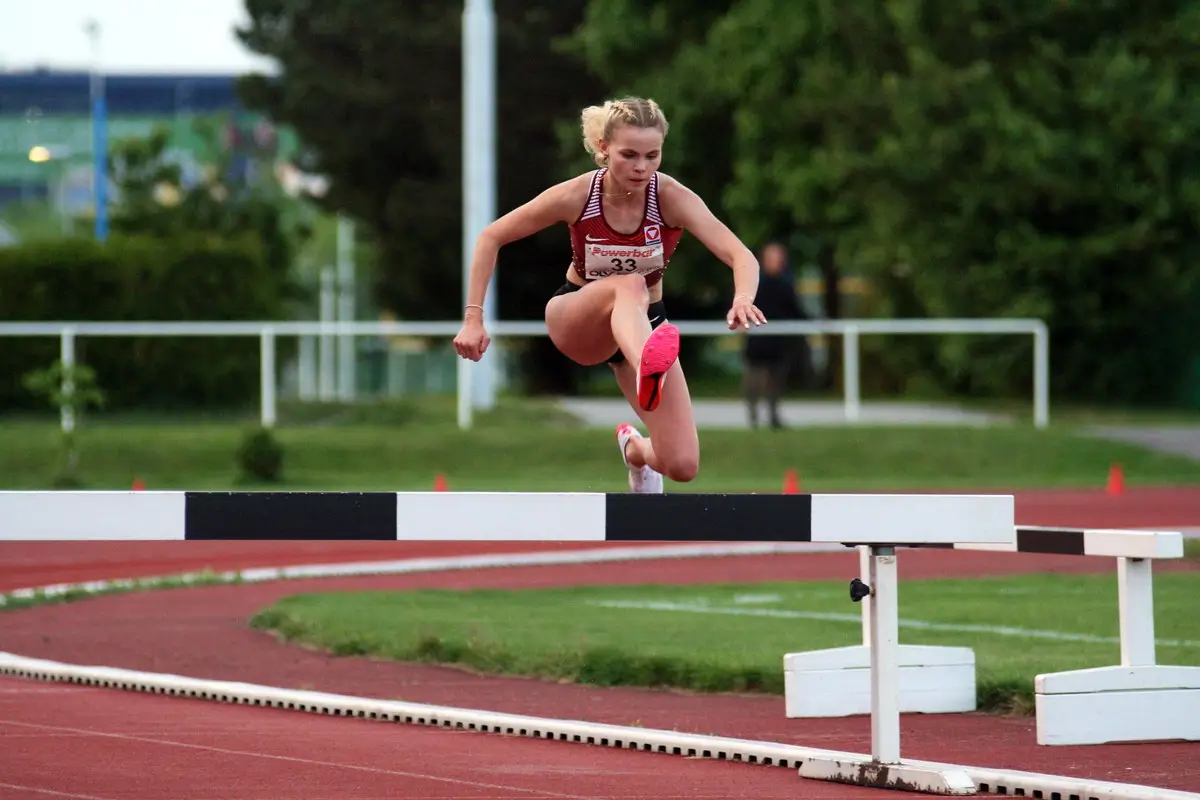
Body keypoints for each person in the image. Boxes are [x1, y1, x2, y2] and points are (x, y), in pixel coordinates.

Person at [453, 96, 767, 493]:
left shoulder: (670, 197)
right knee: (631, 283)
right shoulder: (578, 195)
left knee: (683, 463)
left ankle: (635, 450)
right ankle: (647, 366)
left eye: (653, 156)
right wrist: (473, 318)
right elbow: (491, 236)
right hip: (579, 316)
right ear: (603, 148)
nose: (641, 168)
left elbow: (740, 254)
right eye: (629, 155)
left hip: (644, 323)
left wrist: (743, 297)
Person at [742, 241, 808, 429]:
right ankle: (753, 418)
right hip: (757, 340)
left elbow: (795, 310)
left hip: (778, 341)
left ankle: (773, 416)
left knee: (776, 380)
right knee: (754, 379)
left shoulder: (786, 284)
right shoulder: (754, 283)